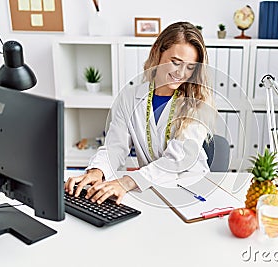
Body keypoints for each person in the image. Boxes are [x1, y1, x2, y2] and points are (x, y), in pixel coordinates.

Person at [65, 21, 216, 205]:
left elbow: (177, 160)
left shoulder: (197, 102)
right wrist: (97, 171)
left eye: (190, 67)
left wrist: (126, 182)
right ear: (157, 52)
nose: (181, 73)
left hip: (190, 192)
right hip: (148, 188)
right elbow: (115, 147)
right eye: (175, 62)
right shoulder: (130, 97)